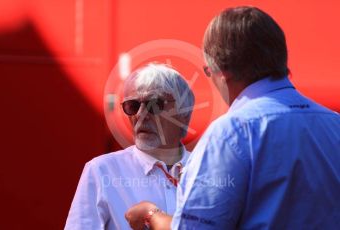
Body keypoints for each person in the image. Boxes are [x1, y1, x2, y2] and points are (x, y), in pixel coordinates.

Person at [125, 6, 340, 230]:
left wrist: (152, 215)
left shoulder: (232, 132)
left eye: (208, 71)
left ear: (220, 69)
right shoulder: (334, 123)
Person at [65, 63, 195, 229]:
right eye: (132, 106)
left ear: (184, 113)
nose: (140, 115)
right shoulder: (101, 171)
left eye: (153, 105)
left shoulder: (208, 171)